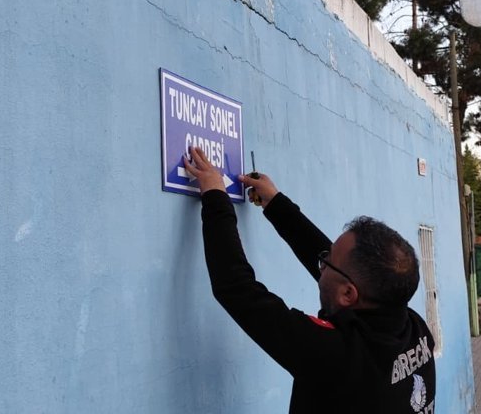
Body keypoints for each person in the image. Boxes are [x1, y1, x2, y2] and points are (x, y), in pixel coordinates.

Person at [183, 146, 436, 414]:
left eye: (326, 262)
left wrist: (215, 196)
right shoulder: (412, 327)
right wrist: (278, 205)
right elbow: (349, 273)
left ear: (348, 295)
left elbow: (237, 289)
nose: (321, 264)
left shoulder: (337, 355)